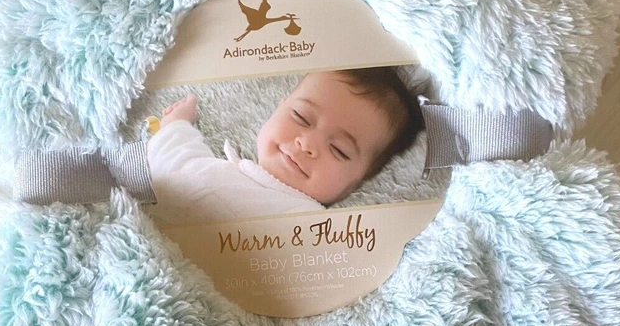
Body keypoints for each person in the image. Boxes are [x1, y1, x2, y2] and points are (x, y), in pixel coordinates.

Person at [145, 67, 423, 225]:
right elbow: (174, 165)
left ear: (360, 181)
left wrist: (176, 126)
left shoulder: (320, 229)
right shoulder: (218, 172)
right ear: (278, 108)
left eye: (339, 149)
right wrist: (177, 124)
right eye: (300, 117)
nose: (307, 143)